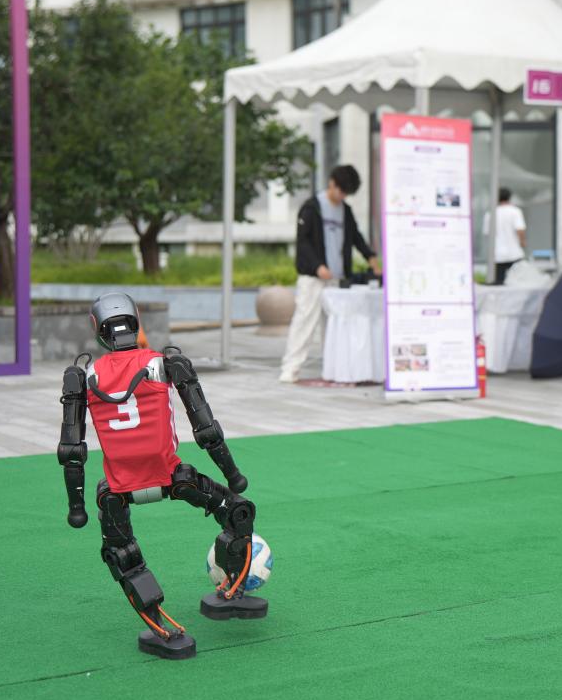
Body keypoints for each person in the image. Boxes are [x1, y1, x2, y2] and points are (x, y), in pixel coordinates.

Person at [57, 293, 260, 660]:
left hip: (117, 488)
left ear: (97, 329)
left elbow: (72, 449)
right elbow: (206, 428)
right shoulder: (161, 364)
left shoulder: (86, 376)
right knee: (237, 511)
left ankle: (162, 627)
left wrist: (77, 506)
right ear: (136, 322)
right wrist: (232, 475)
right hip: (172, 476)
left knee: (123, 554)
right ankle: (231, 592)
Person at [278, 164, 380, 384]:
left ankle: (334, 369)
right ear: (331, 183)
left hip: (337, 279)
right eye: (341, 191)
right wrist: (317, 266)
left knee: (335, 326)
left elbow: (356, 237)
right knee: (305, 322)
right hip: (313, 278)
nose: (342, 196)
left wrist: (371, 257)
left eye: (346, 194)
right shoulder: (312, 207)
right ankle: (290, 369)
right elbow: (303, 242)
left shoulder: (346, 211)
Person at [490, 187, 527, 284]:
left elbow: (488, 235)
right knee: (518, 284)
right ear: (509, 197)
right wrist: (523, 242)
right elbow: (520, 230)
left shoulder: (490, 213)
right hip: (515, 254)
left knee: (499, 284)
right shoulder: (515, 211)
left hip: (497, 255)